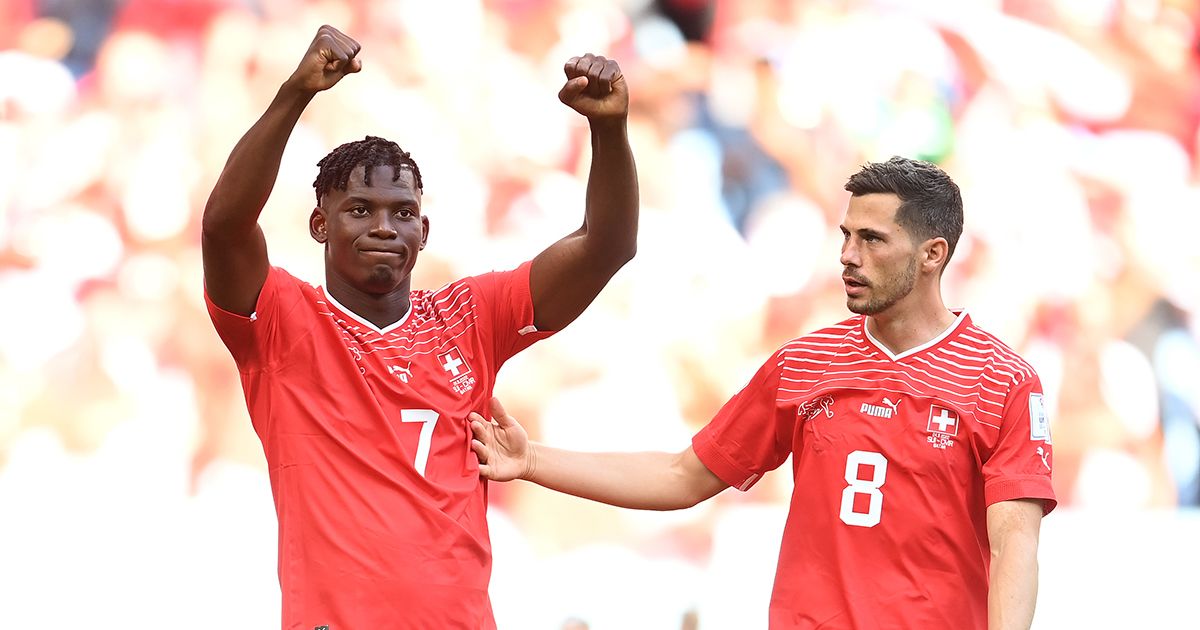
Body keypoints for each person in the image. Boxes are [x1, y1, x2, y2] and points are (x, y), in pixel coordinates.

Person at [471, 157, 1055, 630]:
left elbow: (1013, 546)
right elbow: (684, 476)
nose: (849, 256)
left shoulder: (1002, 380)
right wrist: (531, 461)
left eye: (873, 240)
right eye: (846, 235)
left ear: (933, 255)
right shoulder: (804, 363)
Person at [201, 25, 637, 629]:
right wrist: (295, 94)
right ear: (319, 225)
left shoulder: (470, 318)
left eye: (403, 213)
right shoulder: (282, 320)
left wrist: (609, 131)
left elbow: (607, 247)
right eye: (360, 209)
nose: (385, 227)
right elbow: (224, 228)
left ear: (423, 233)